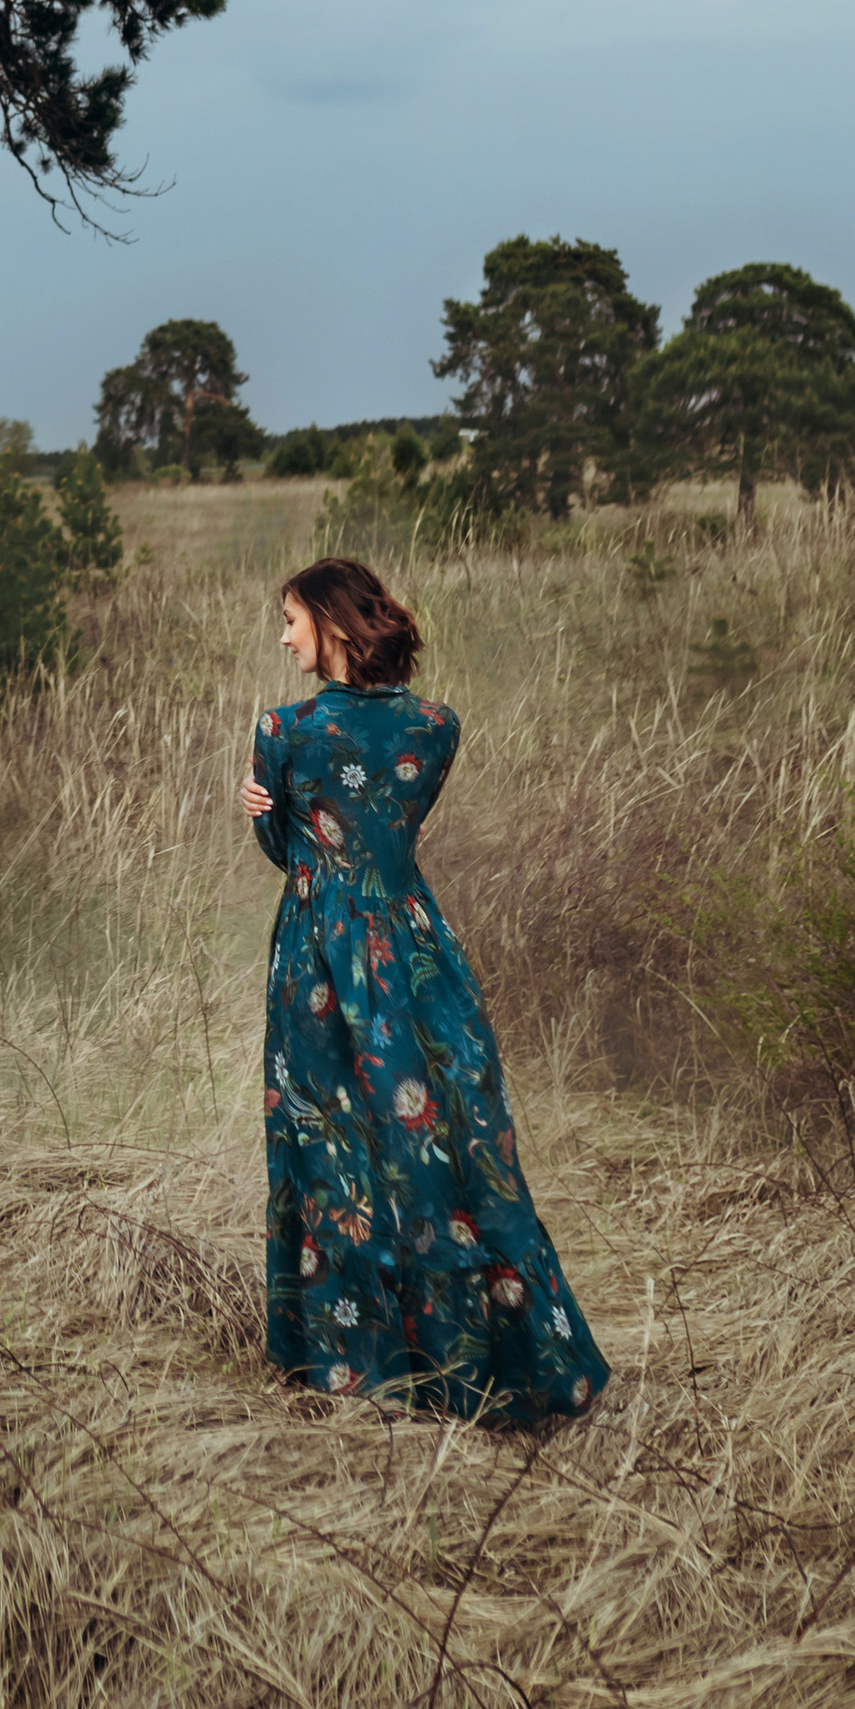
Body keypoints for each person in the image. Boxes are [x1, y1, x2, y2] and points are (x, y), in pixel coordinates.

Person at [239, 555, 608, 1423]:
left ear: (330, 625)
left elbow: (299, 860)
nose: (284, 635)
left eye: (291, 618)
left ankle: (358, 1369)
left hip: (320, 959)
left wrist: (263, 814)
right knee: (452, 1141)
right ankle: (499, 1363)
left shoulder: (282, 731)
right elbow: (384, 836)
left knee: (334, 1150)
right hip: (416, 950)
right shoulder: (437, 726)